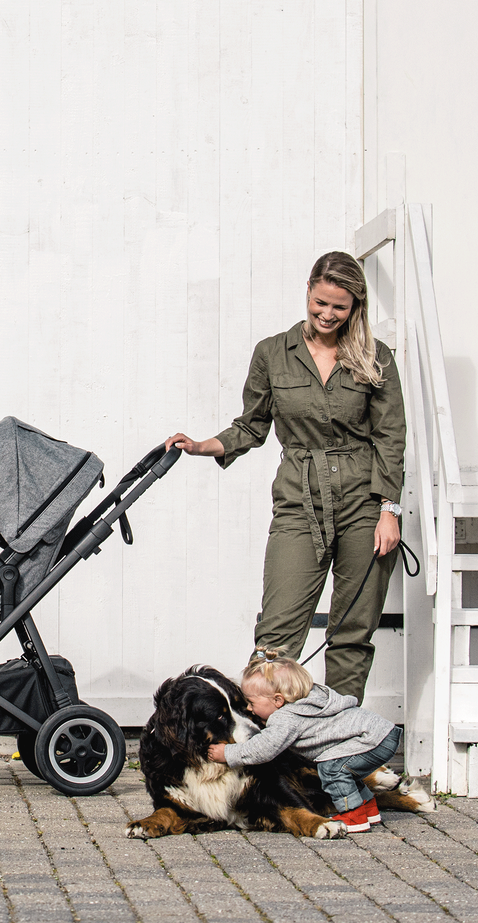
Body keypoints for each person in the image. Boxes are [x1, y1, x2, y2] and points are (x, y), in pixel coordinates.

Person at [166, 250, 404, 703]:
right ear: (308, 292)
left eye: (340, 306)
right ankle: (268, 746)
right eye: (320, 303)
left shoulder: (376, 358)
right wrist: (200, 446)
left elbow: (391, 437)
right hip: (300, 500)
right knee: (275, 639)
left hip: (365, 504)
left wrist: (388, 511)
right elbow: (251, 426)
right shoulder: (273, 354)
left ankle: (337, 750)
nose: (327, 314)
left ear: (356, 306)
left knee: (352, 633)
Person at [207, 651, 402, 833]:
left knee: (332, 771)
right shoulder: (310, 698)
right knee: (348, 772)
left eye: (251, 703)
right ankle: (369, 809)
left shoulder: (286, 718)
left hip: (370, 741)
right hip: (382, 734)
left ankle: (354, 817)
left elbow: (262, 750)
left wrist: (227, 753)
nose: (248, 709)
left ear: (278, 700)